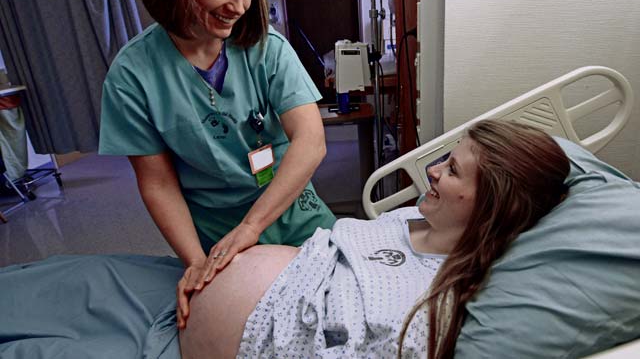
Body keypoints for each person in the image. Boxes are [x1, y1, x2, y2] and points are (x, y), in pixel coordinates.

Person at [98, 0, 336, 329]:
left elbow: (311, 140)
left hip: (295, 215)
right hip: (216, 238)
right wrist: (198, 263)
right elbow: (158, 183)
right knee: (248, 328)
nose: (239, 8)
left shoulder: (267, 49)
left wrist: (254, 226)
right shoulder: (133, 75)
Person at [178, 119, 571, 358]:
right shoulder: (412, 215)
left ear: (489, 206)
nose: (432, 171)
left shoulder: (433, 306)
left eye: (452, 170)